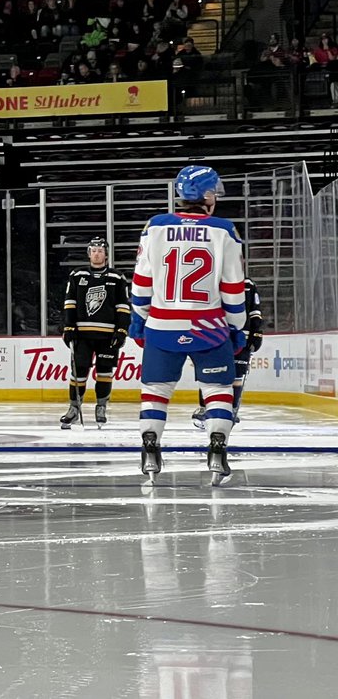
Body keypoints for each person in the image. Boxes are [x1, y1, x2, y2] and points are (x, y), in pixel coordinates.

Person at [130, 165, 246, 485]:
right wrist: (237, 327)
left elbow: (141, 284)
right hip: (209, 326)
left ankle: (150, 449)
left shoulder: (155, 227)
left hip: (162, 324)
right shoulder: (223, 230)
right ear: (206, 196)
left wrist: (139, 321)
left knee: (155, 391)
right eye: (214, 193)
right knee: (218, 391)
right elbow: (233, 289)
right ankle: (217, 451)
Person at [59, 238, 131, 429]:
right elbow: (70, 303)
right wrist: (69, 327)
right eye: (94, 250)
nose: (97, 253)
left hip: (107, 335)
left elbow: (123, 306)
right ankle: (74, 408)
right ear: (89, 253)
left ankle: (101, 407)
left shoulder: (116, 277)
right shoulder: (77, 275)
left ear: (106, 254)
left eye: (100, 250)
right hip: (82, 334)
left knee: (105, 373)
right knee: (78, 372)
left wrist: (122, 330)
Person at [194, 275, 262, 428]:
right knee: (209, 372)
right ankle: (206, 408)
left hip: (241, 337)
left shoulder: (248, 284)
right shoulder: (211, 279)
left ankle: (231, 409)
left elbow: (255, 312)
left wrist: (256, 333)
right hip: (214, 335)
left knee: (237, 375)